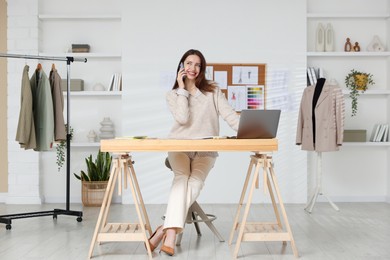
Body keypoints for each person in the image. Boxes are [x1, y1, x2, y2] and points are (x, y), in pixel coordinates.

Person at [147, 49, 240, 256]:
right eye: (189, 63)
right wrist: (182, 89)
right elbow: (182, 118)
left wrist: (251, 131)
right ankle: (171, 236)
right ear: (181, 66)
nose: (193, 68)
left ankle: (165, 230)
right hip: (179, 146)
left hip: (205, 149)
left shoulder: (212, 91)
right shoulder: (172, 95)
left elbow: (230, 116)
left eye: (197, 65)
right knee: (182, 179)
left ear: (202, 69)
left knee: (195, 183)